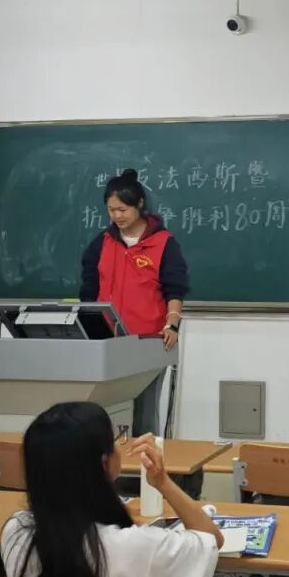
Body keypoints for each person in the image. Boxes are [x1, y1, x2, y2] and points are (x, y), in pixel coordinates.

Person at [1, 402, 223, 577]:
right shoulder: (133, 547)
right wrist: (162, 481)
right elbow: (211, 539)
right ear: (104, 463)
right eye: (114, 438)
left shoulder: (15, 532)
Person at [81, 169, 188, 437]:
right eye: (111, 210)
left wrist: (172, 324)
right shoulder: (101, 243)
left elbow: (175, 289)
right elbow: (88, 292)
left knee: (144, 414)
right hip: (107, 342)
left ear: (139, 204)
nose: (117, 216)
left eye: (123, 209)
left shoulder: (163, 243)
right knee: (105, 413)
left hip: (149, 341)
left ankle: (146, 464)